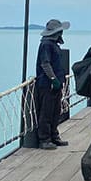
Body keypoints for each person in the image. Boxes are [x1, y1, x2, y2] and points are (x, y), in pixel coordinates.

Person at [35, 19, 71, 149]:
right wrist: (52, 78)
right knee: (46, 112)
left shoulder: (54, 44)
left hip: (56, 82)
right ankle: (44, 139)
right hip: (47, 83)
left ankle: (54, 135)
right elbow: (45, 63)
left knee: (56, 111)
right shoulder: (46, 44)